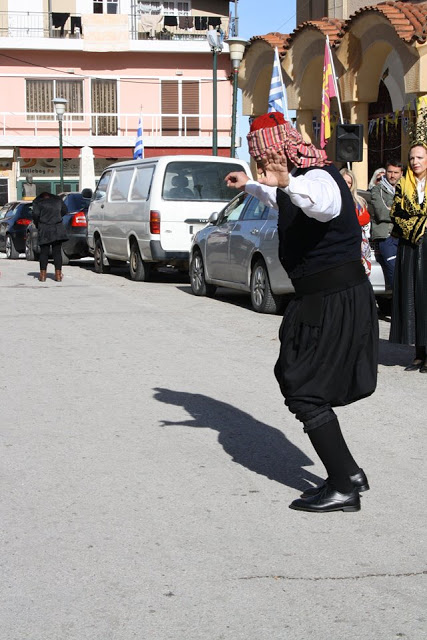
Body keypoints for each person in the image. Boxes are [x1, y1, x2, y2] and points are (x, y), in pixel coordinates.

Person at [225, 112, 378, 514]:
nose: (260, 163)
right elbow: (284, 198)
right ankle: (348, 472)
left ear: (280, 151)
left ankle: (345, 486)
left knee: (302, 387)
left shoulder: (318, 179)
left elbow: (320, 205)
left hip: (332, 299)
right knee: (296, 378)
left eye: (261, 157)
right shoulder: (299, 181)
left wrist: (287, 181)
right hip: (325, 296)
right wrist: (255, 185)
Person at [390, 141, 427, 372]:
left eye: (420, 158)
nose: (415, 162)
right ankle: (418, 352)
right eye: (412, 158)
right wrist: (419, 225)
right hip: (411, 247)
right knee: (413, 296)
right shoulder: (403, 184)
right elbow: (396, 212)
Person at [370, 159, 403, 289]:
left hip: (404, 236)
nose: (392, 175)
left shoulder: (406, 189)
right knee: (394, 271)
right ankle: (396, 306)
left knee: (406, 272)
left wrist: (391, 209)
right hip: (386, 236)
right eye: (390, 172)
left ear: (401, 173)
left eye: (396, 172)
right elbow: (381, 212)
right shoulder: (377, 190)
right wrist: (401, 213)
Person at [340, 168, 372, 276]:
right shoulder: (333, 200)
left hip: (358, 242)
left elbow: (365, 219)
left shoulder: (359, 201)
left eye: (349, 182)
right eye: (343, 181)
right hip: (341, 242)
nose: (346, 184)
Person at [32, 192, 68, 282]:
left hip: (44, 228)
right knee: (57, 252)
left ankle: (42, 275)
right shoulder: (58, 201)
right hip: (57, 228)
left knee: (44, 253)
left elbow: (35, 215)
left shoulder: (38, 202)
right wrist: (57, 217)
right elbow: (65, 210)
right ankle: (58, 275)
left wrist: (38, 224)